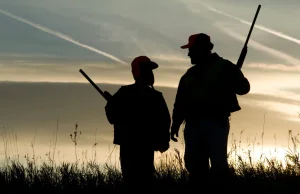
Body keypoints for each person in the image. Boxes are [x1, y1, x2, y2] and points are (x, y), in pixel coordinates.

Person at [170, 33, 251, 189]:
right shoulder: (188, 75)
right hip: (193, 126)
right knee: (194, 166)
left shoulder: (224, 67)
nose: (189, 54)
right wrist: (175, 124)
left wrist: (235, 77)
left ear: (201, 49)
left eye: (191, 50)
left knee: (218, 166)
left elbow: (243, 88)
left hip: (216, 123)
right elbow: (180, 102)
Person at [104, 56, 171, 191]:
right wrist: (112, 105)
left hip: (141, 146)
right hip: (134, 145)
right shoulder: (152, 96)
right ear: (139, 72)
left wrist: (163, 140)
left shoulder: (126, 93)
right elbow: (113, 117)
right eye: (148, 70)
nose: (151, 74)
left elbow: (164, 121)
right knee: (136, 181)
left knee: (140, 181)